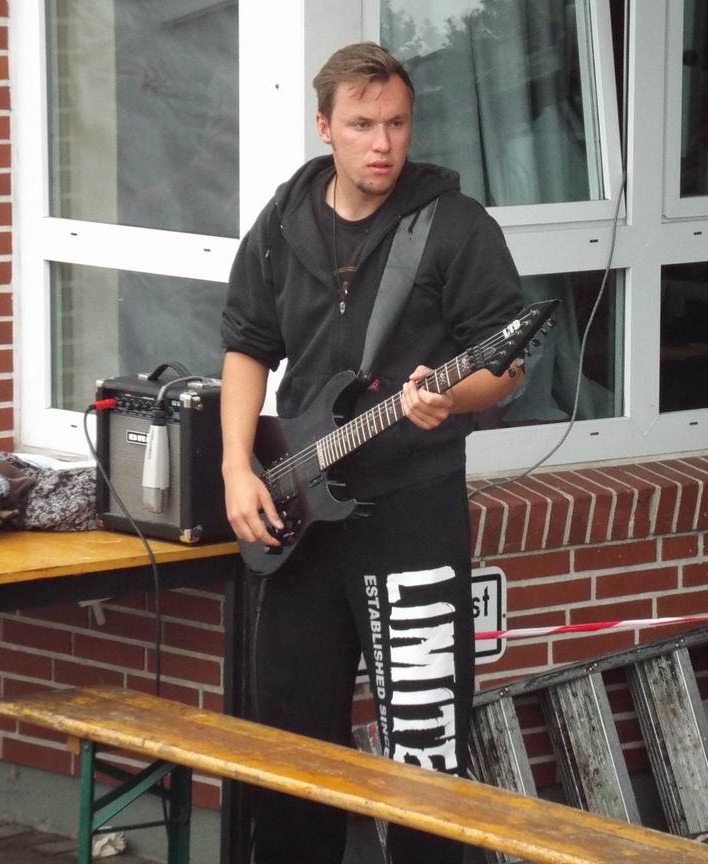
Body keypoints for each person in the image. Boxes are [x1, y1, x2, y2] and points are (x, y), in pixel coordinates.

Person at [219, 42, 524, 864]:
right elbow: (247, 344)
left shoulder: (455, 226)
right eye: (361, 125)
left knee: (425, 759)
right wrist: (237, 467)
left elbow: (509, 365)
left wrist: (451, 396)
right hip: (300, 516)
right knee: (292, 754)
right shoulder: (283, 221)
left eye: (395, 123)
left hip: (412, 515)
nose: (381, 143)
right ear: (325, 127)